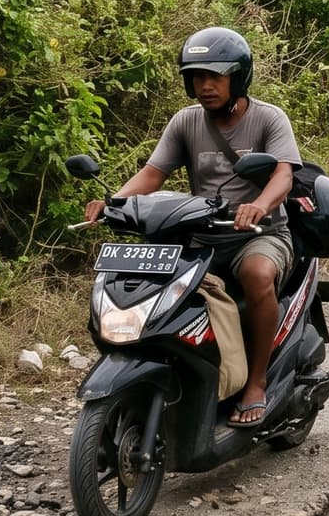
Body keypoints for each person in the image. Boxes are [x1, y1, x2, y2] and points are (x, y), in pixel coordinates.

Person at [87, 27, 300, 426]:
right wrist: (115, 203)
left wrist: (257, 205)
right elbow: (153, 174)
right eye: (196, 77)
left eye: (214, 76)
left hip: (260, 234)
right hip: (202, 235)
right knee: (153, 288)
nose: (205, 85)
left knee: (257, 274)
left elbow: (284, 176)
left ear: (238, 77)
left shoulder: (269, 119)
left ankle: (255, 382)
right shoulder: (186, 123)